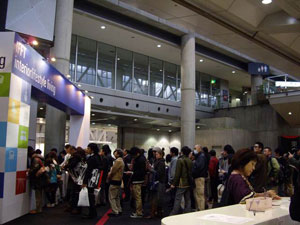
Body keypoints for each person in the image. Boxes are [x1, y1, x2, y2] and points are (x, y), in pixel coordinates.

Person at [170, 146, 193, 215]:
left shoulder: (180, 160)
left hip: (181, 183)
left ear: (182, 152)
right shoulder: (190, 160)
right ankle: (187, 212)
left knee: (178, 199)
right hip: (188, 182)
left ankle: (173, 213)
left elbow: (177, 173)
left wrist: (173, 183)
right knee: (187, 199)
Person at [82, 143, 101, 219]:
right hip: (95, 179)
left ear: (91, 149)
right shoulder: (98, 157)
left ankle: (92, 213)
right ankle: (93, 213)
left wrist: (84, 181)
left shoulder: (92, 158)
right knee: (92, 196)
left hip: (90, 179)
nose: (87, 149)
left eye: (88, 148)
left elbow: (88, 171)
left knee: (90, 196)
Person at [147, 147, 165, 218]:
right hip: (157, 182)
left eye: (156, 154)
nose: (155, 155)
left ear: (160, 154)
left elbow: (158, 173)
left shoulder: (161, 162)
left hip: (159, 182)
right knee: (156, 199)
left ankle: (154, 213)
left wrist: (150, 169)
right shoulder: (157, 161)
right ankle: (157, 213)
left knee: (156, 199)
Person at [130, 147, 146, 218]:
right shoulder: (141, 158)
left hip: (137, 180)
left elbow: (140, 171)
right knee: (138, 197)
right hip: (139, 179)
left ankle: (139, 212)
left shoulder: (140, 160)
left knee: (137, 197)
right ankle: (139, 211)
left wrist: (133, 173)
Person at [107, 149, 125, 217]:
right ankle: (119, 209)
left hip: (114, 180)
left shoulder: (118, 161)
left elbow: (113, 171)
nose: (114, 153)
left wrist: (109, 176)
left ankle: (115, 211)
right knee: (117, 196)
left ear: (118, 154)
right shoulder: (121, 160)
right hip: (118, 180)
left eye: (115, 153)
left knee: (112, 197)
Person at [192, 145, 208, 211]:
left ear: (200, 149)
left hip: (199, 177)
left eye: (195, 148)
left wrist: (193, 171)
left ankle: (201, 209)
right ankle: (199, 208)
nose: (194, 150)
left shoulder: (201, 157)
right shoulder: (199, 156)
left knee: (200, 195)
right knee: (198, 194)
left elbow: (199, 167)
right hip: (198, 177)